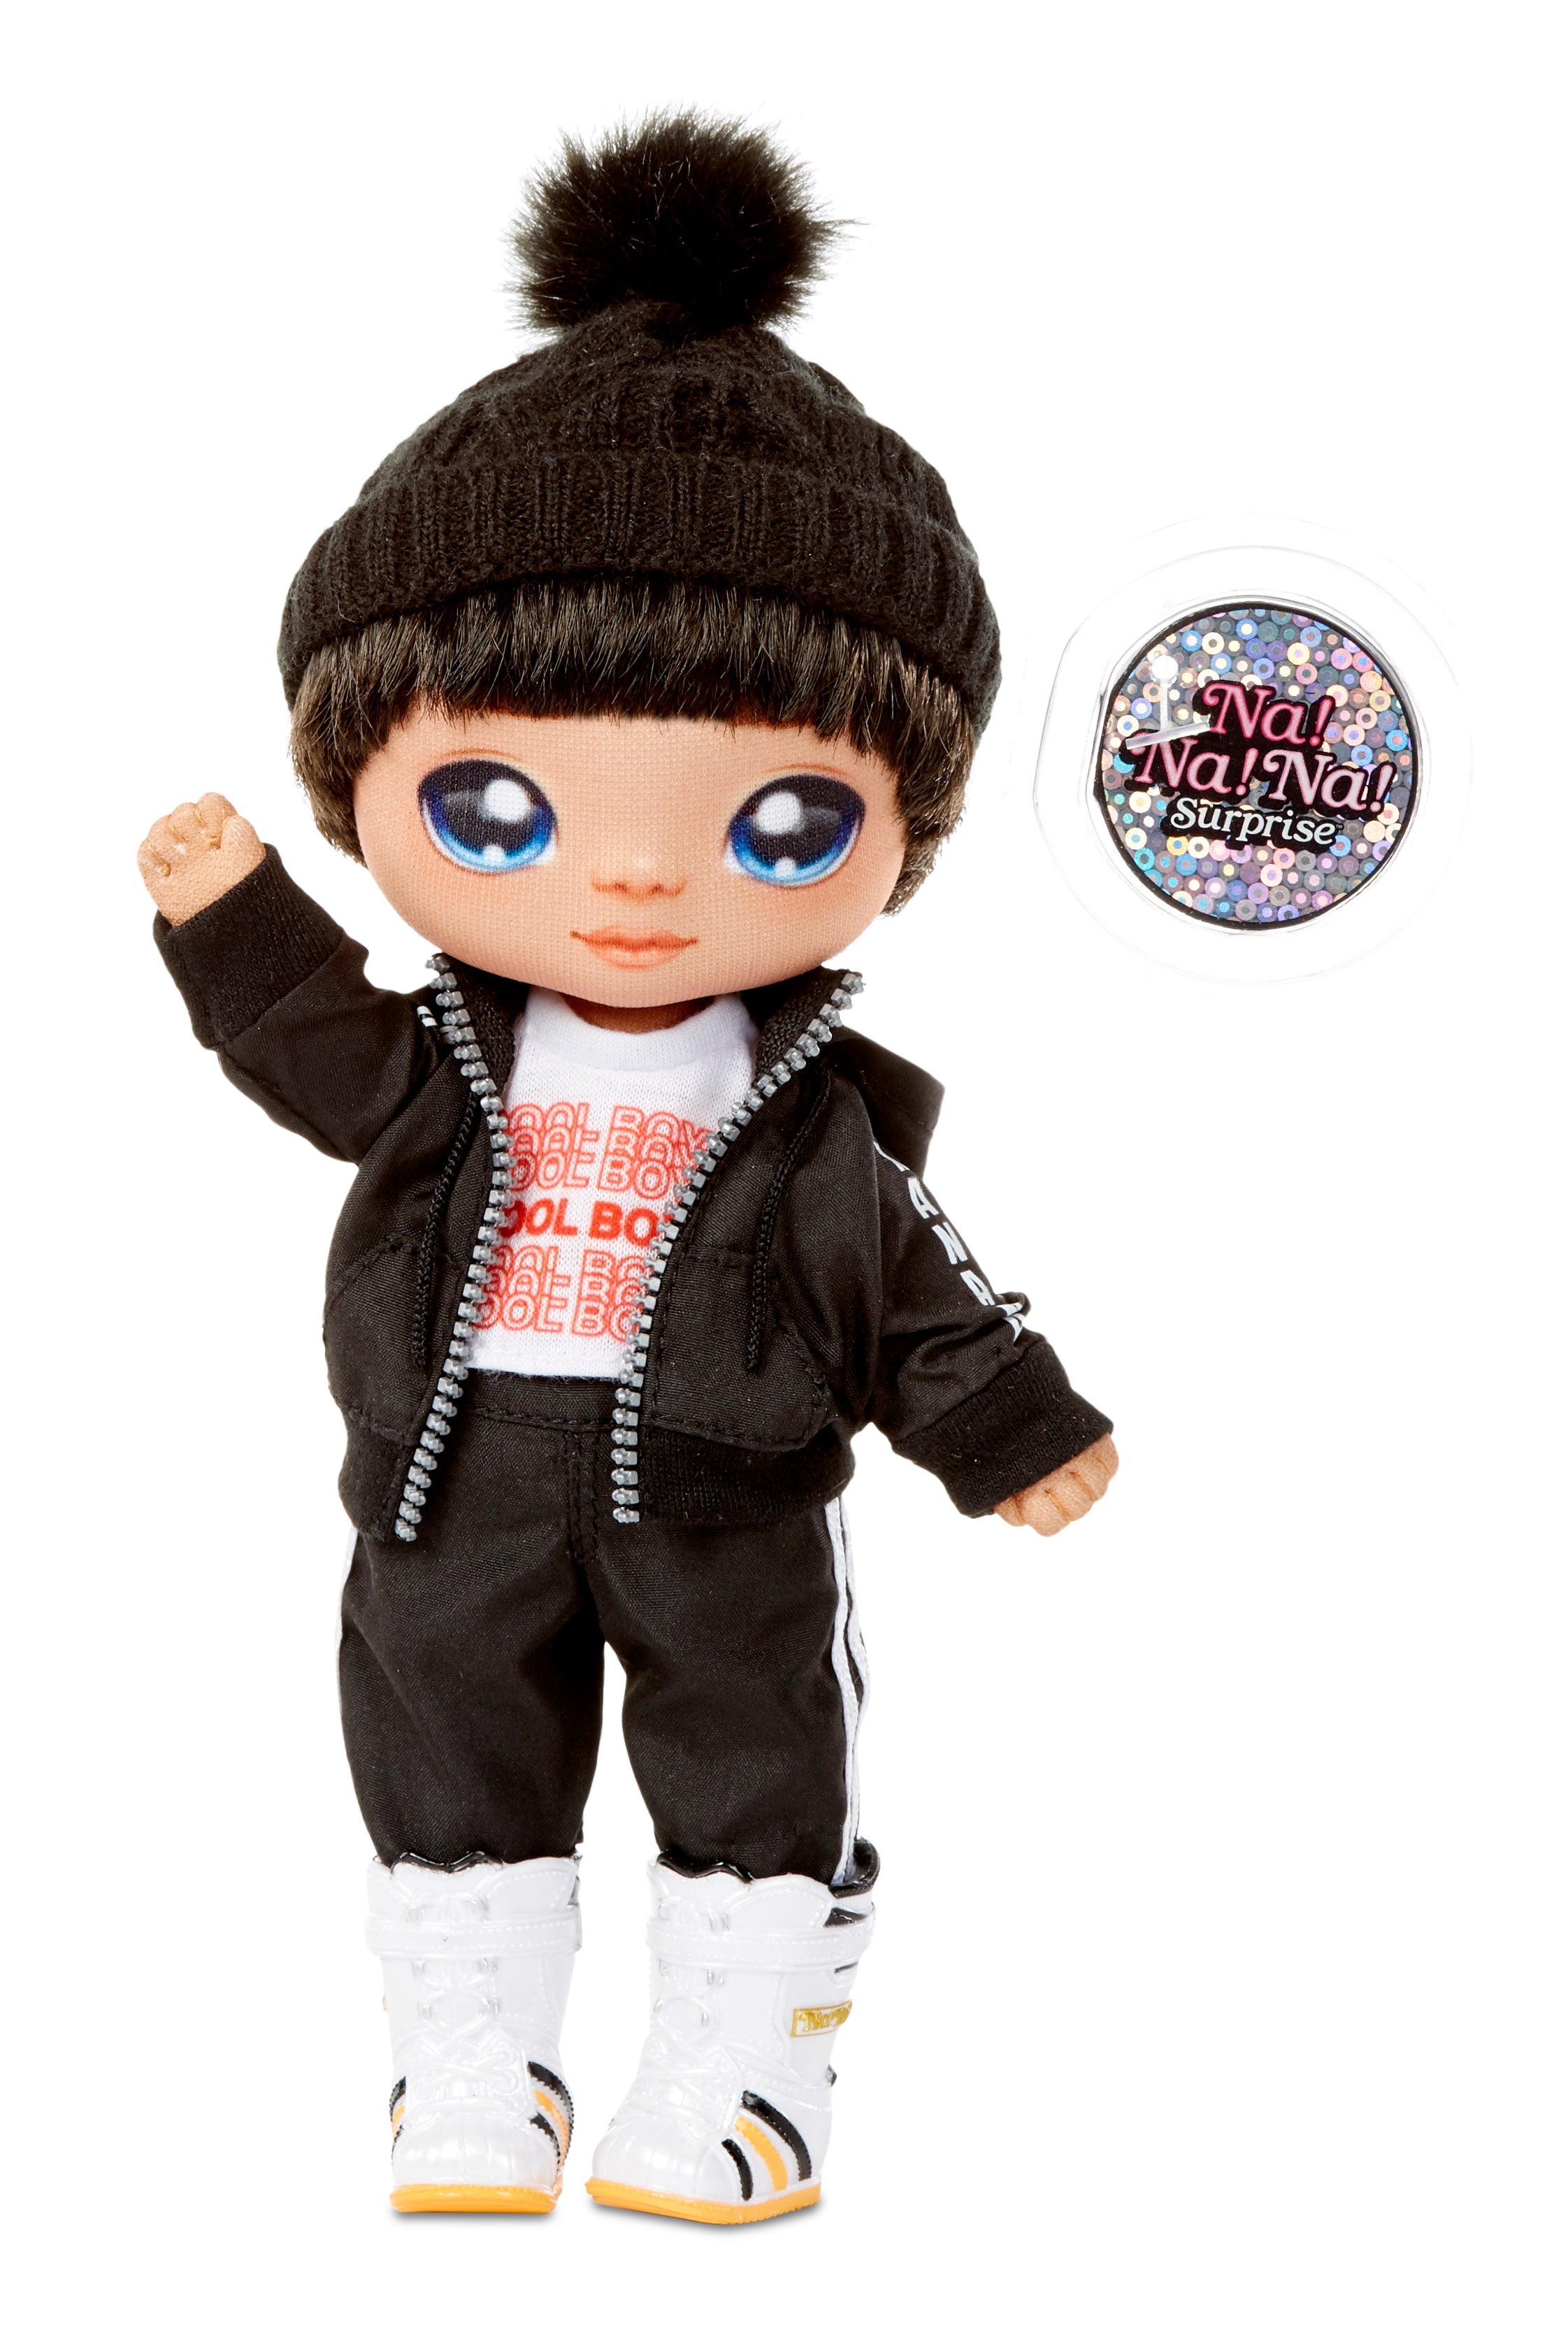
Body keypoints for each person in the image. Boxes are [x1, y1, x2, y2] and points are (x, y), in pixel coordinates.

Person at [138, 113, 1117, 2226]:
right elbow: (316, 1059)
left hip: (726, 1481)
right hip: (448, 1471)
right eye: (500, 812)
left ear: (902, 820)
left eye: (783, 825)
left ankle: (748, 2060)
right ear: (360, 781)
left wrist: (1007, 1424)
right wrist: (238, 929)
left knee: (754, 1757)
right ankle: (468, 2064)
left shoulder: (808, 1109)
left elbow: (910, 1279)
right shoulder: (443, 1064)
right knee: (443, 1748)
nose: (642, 884)